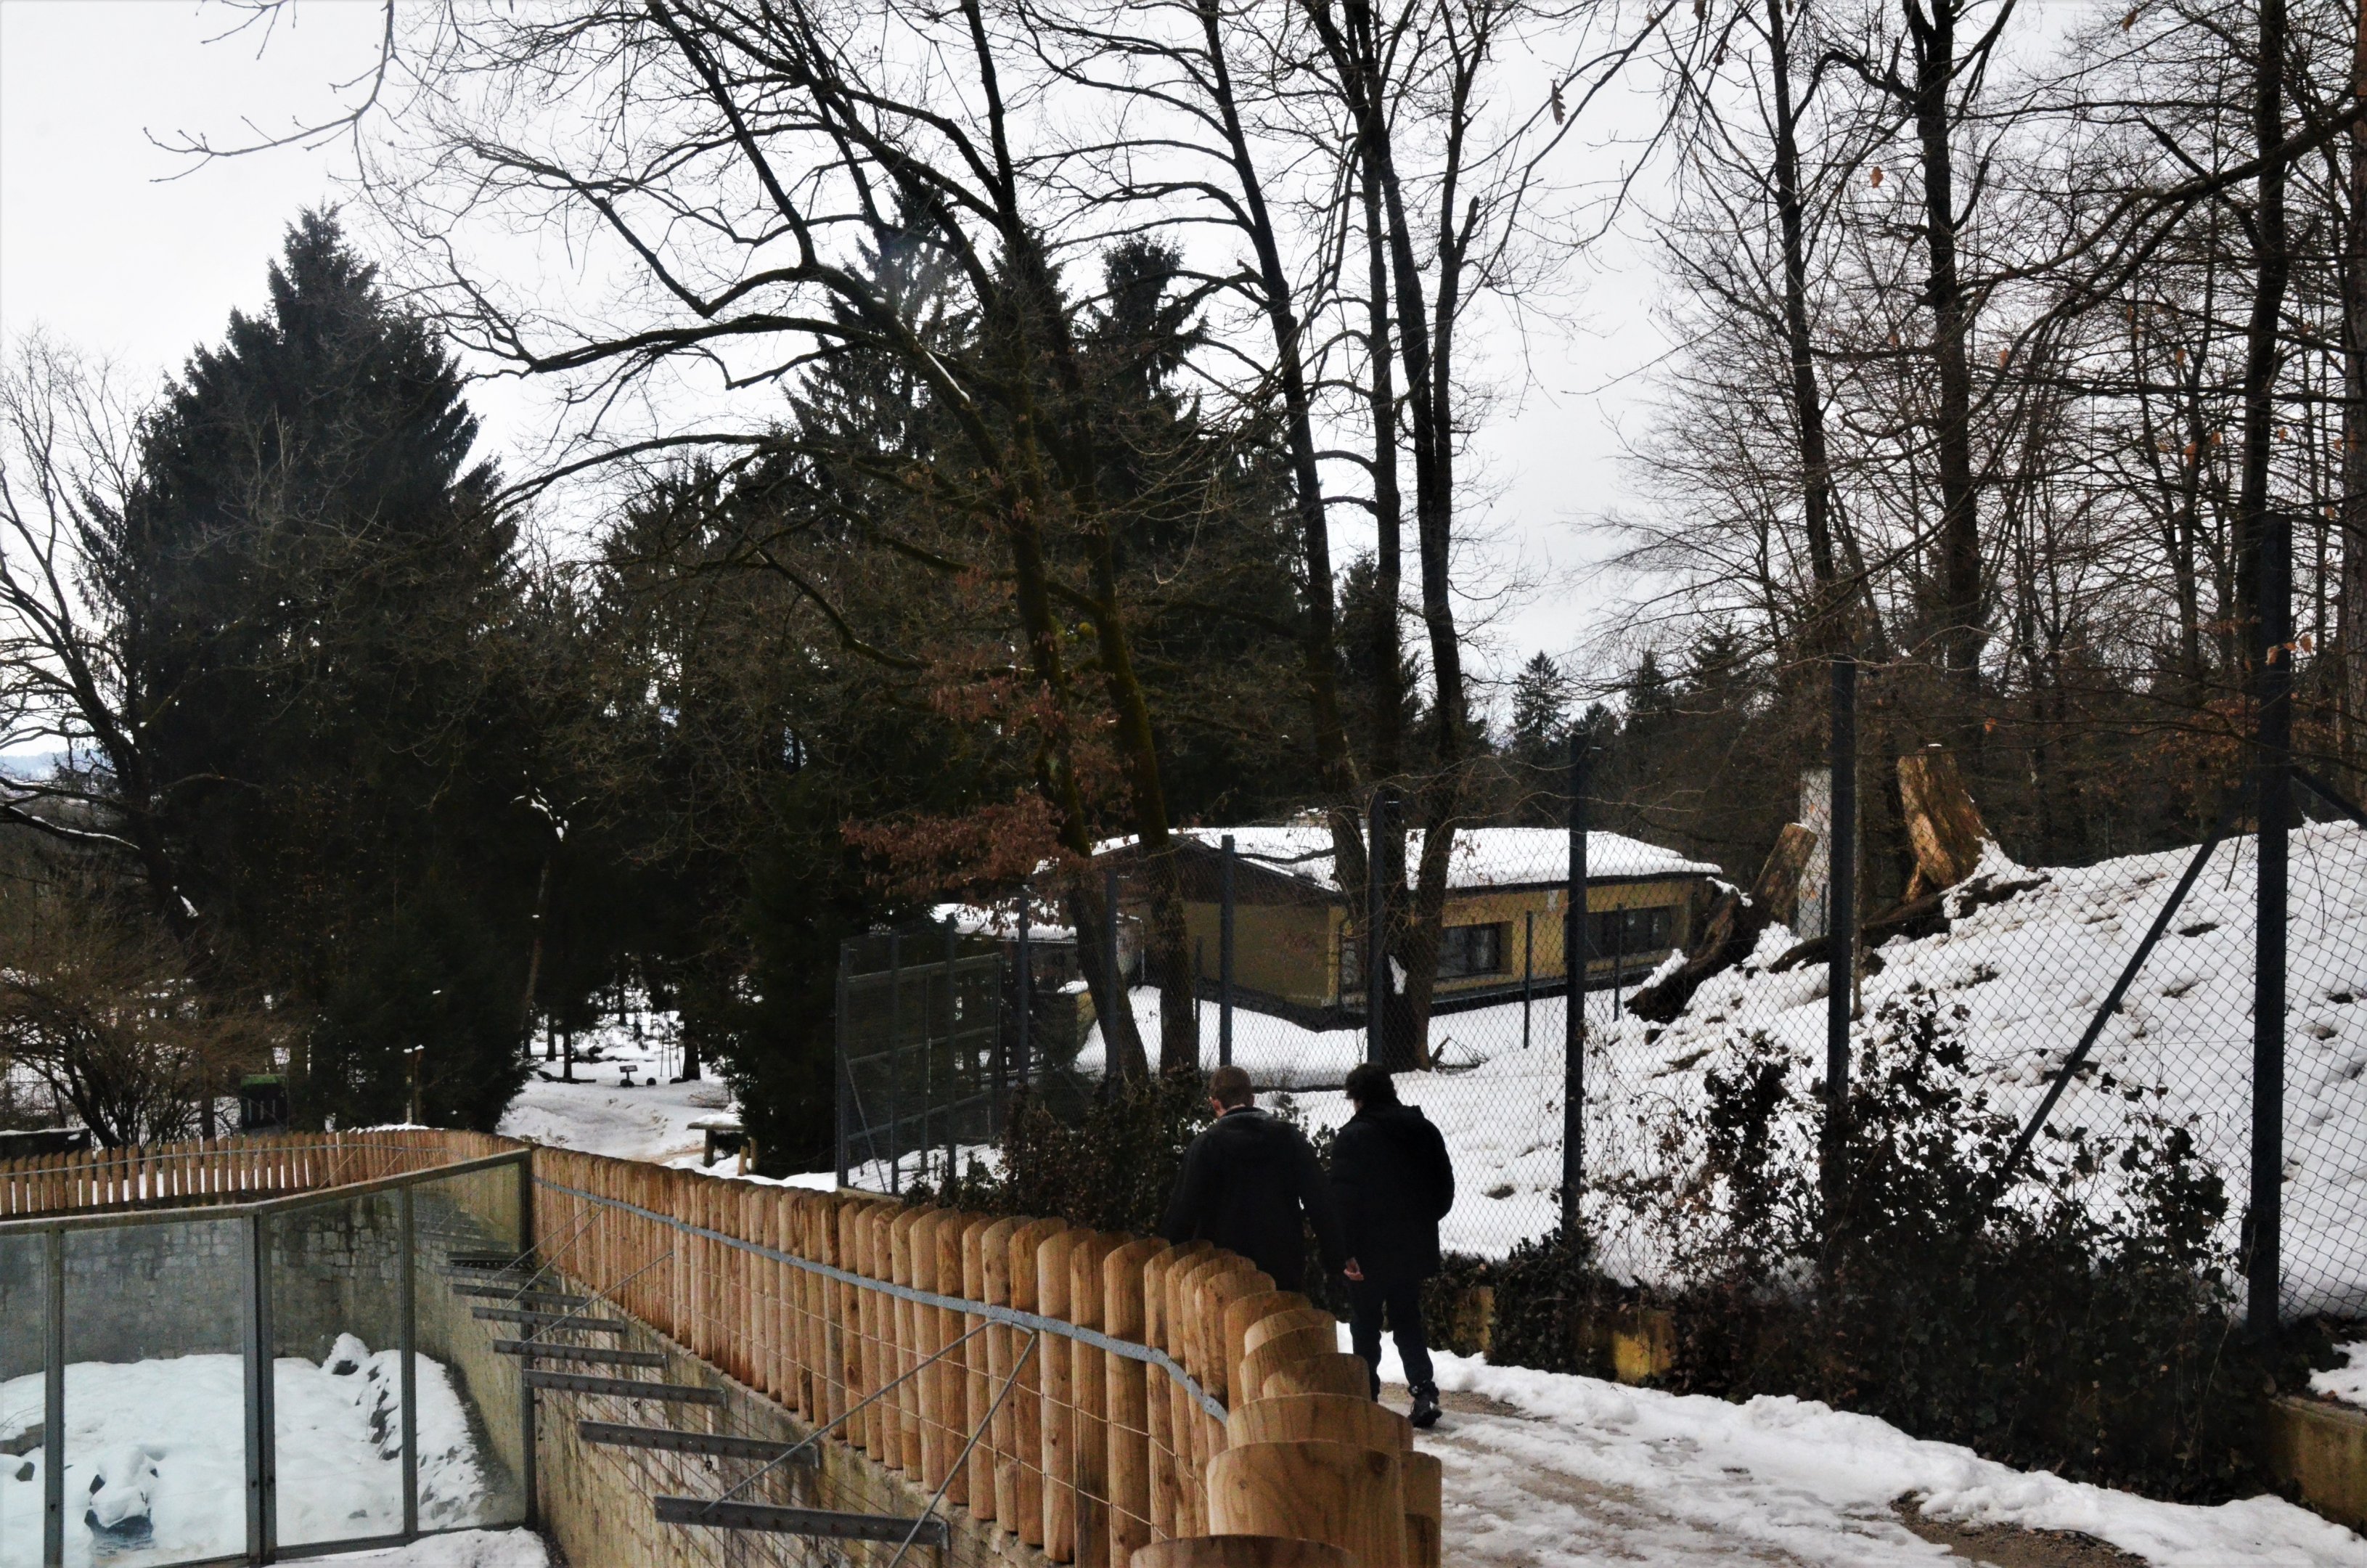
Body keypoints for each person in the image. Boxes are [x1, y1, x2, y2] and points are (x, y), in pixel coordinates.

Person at [1328, 1062, 1454, 1428]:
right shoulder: (1424, 1130)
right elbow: (1443, 1190)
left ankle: (1366, 1397)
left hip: (1367, 1253)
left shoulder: (1353, 1138)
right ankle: (1424, 1391)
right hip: (1411, 1249)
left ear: (1358, 1098)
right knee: (1408, 1319)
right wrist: (1421, 1224)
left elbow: (1343, 1201)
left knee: (1365, 1324)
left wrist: (1345, 1251)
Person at [1161, 1063, 1357, 1294]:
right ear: (1252, 1099)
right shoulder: (1288, 1138)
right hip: (1281, 1260)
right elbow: (1319, 1199)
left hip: (1221, 1264)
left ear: (1214, 1103)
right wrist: (1337, 1256)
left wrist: (1168, 1259)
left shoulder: (1206, 1145)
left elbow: (1184, 1208)